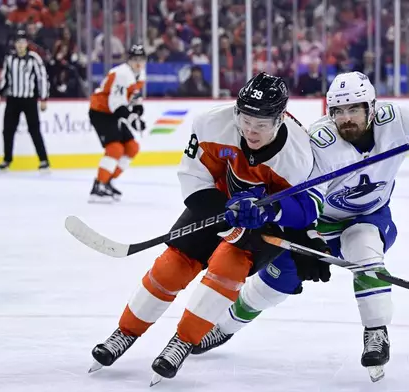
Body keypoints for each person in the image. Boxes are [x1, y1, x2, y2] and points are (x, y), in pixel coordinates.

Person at [193, 71, 409, 382]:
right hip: (318, 222)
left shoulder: (396, 119)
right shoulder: (319, 142)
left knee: (365, 248)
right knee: (279, 280)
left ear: (372, 107)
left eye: (354, 109)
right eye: (338, 111)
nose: (346, 119)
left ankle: (376, 331)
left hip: (369, 215)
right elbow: (304, 202)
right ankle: (226, 326)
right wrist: (283, 219)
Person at [87, 73, 321, 384]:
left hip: (264, 220)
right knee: (173, 264)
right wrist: (224, 210)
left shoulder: (299, 152)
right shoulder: (212, 124)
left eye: (262, 124)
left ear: (280, 119)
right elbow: (193, 180)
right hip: (217, 204)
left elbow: (306, 208)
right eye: (245, 119)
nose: (251, 130)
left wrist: (271, 210)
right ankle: (125, 332)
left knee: (228, 265)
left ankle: (183, 341)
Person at [88, 44, 147, 202]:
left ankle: (107, 181)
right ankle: (98, 186)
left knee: (132, 147)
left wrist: (138, 113)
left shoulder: (140, 75)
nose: (138, 63)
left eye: (141, 59)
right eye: (135, 59)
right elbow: (115, 103)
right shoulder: (122, 74)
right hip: (101, 112)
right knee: (115, 149)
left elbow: (134, 97)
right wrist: (132, 119)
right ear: (129, 60)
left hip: (113, 113)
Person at [0, 29, 50, 171]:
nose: (20, 45)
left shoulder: (34, 59)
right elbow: (5, 78)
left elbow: (42, 78)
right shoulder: (10, 58)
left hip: (29, 99)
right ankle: (7, 159)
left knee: (34, 130)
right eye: (18, 42)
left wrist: (43, 98)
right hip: (13, 99)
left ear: (27, 44)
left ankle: (43, 160)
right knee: (8, 130)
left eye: (22, 42)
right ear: (14, 44)